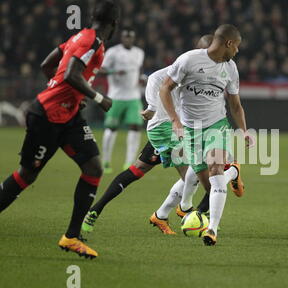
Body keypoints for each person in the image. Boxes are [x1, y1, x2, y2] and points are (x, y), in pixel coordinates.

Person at [0, 0, 120, 259]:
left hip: (70, 115)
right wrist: (99, 98)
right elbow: (71, 75)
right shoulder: (94, 42)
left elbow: (47, 65)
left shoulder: (79, 36)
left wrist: (74, 95)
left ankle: (71, 237)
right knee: (27, 175)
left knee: (93, 167)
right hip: (46, 115)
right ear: (114, 24)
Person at [82, 35, 215, 235]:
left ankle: (95, 210)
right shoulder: (185, 64)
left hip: (170, 127)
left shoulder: (204, 69)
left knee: (138, 169)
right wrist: (152, 106)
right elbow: (155, 78)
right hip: (165, 127)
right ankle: (187, 212)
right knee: (197, 171)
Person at [160, 24, 253, 246]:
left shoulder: (230, 68)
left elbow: (235, 105)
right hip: (191, 130)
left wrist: (243, 130)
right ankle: (234, 173)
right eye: (237, 47)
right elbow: (165, 88)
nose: (237, 52)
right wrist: (175, 120)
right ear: (229, 43)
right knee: (210, 185)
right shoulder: (189, 60)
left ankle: (212, 230)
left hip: (216, 125)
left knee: (215, 168)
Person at [100, 28, 145, 173]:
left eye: (130, 37)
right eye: (126, 36)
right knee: (111, 128)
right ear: (122, 37)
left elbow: (138, 70)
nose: (128, 39)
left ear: (133, 38)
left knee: (135, 127)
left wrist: (142, 79)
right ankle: (105, 161)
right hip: (116, 96)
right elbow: (101, 69)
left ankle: (129, 163)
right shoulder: (113, 52)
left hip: (133, 96)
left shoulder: (139, 53)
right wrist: (114, 71)